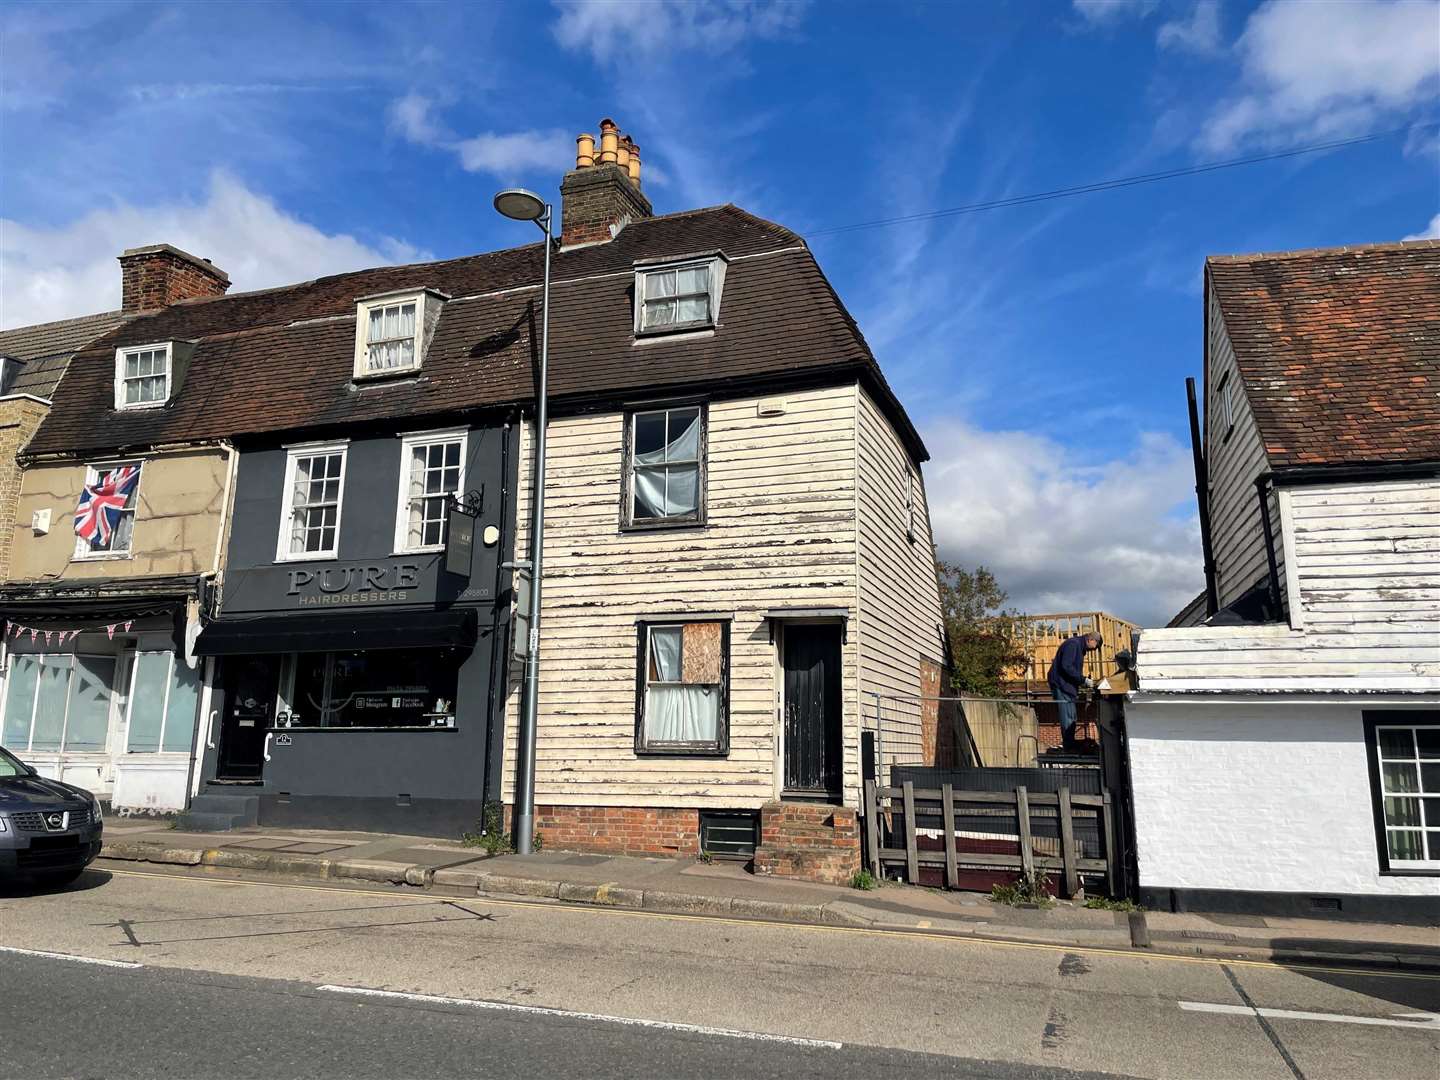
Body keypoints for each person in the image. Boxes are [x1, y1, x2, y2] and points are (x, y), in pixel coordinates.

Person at [1047, 631, 1102, 752]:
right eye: (1096, 646)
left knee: (1071, 716)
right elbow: (1066, 666)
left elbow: (1069, 668)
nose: (1094, 649)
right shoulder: (1073, 645)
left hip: (1067, 685)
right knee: (1068, 716)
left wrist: (1080, 682)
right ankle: (1068, 747)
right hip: (1062, 685)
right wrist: (1083, 680)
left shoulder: (1078, 646)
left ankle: (1069, 745)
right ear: (1091, 640)